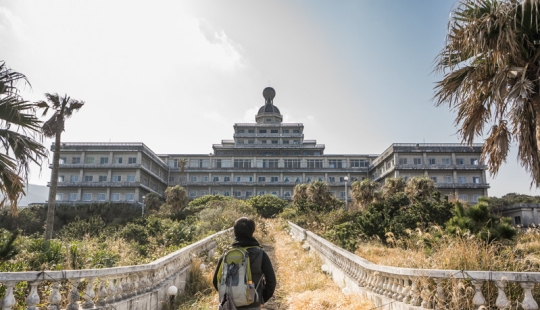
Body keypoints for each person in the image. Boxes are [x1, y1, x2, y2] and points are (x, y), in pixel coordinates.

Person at [213, 217, 276, 309]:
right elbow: (271, 282)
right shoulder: (260, 254)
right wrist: (261, 299)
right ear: (252, 231)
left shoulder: (227, 254)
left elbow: (216, 281)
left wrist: (230, 296)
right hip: (253, 303)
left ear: (235, 232)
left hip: (230, 305)